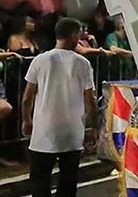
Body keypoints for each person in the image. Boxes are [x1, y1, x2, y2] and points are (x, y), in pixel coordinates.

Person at [21, 17, 98, 197]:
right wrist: (94, 125)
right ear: (72, 35)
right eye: (78, 34)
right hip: (72, 134)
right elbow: (90, 99)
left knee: (40, 180)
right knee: (68, 183)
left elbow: (27, 98)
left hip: (43, 133)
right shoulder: (83, 64)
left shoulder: (40, 60)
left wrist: (27, 120)